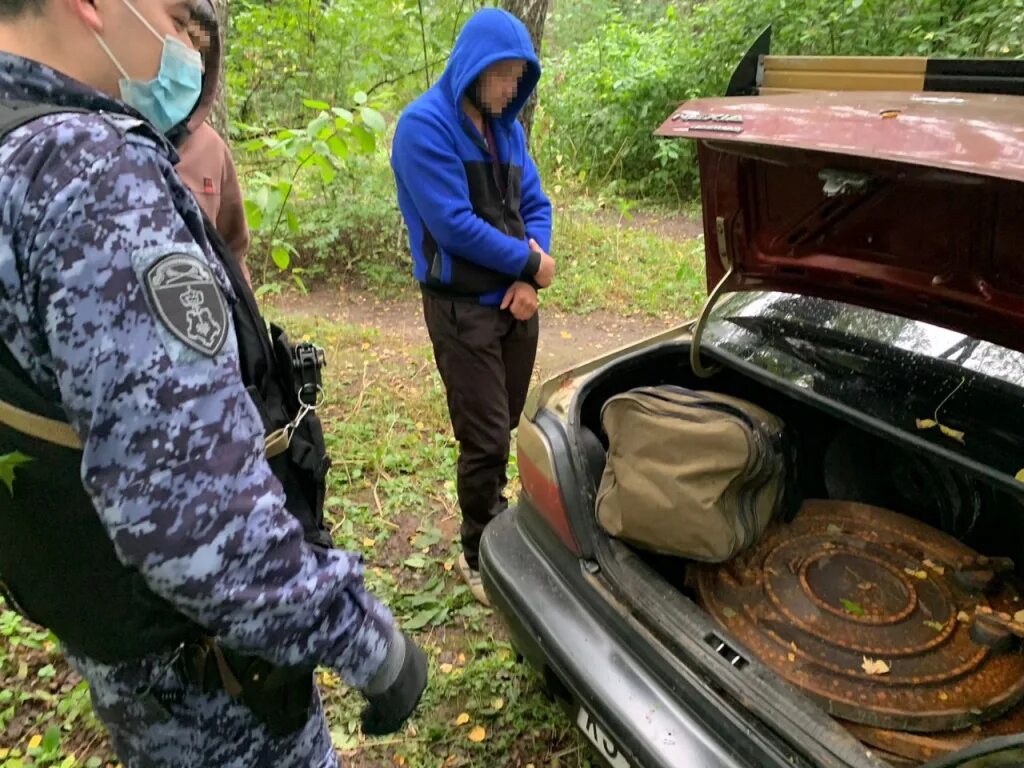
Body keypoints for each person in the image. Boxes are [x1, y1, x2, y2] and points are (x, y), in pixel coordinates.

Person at [0, 1, 426, 765]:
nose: (182, 33)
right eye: (170, 6)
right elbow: (196, 512)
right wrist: (370, 644)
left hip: (113, 635)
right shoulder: (85, 174)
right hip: (213, 682)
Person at [390, 8, 555, 606]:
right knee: (484, 436)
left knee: (504, 422)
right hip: (461, 309)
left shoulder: (506, 130)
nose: (512, 88)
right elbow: (454, 227)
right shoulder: (423, 128)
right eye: (504, 75)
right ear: (473, 66)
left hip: (515, 306)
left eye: (519, 77)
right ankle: (481, 550)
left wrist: (531, 282)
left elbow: (536, 205)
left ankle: (497, 515)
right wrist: (530, 263)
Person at [170, 0, 252, 283]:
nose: (193, 57)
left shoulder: (211, 149)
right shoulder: (97, 141)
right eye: (182, 31)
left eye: (202, 50)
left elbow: (235, 253)